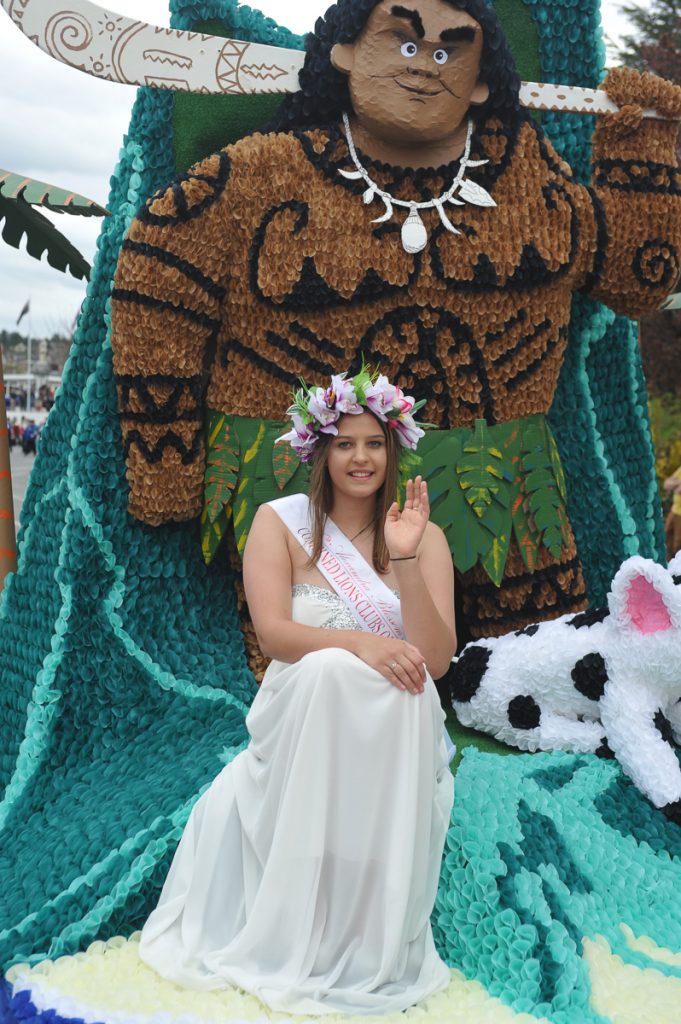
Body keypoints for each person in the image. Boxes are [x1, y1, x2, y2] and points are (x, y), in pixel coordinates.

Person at [111, 0, 681, 650]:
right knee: (314, 670)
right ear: (345, 52)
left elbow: (639, 278)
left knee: (539, 665)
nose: (425, 65)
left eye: (448, 51)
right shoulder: (261, 174)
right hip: (310, 498)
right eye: (405, 43)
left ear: (481, 83)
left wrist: (643, 143)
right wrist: (165, 460)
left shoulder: (528, 172)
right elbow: (158, 270)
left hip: (504, 494)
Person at [137, 368, 456, 1015]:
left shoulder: (424, 539)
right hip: (304, 712)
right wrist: (362, 644)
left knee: (399, 686)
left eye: (374, 443)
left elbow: (436, 660)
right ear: (321, 452)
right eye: (346, 444)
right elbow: (276, 636)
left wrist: (402, 558)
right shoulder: (278, 524)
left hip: (393, 726)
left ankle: (365, 944)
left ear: (393, 450)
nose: (361, 457)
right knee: (328, 669)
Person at [664, 464, 681, 560]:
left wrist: (675, 484)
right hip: (674, 511)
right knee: (666, 539)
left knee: (677, 546)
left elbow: (679, 490)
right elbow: (666, 484)